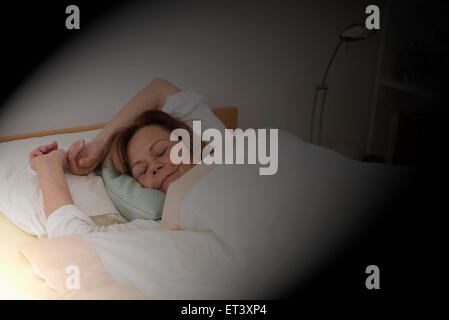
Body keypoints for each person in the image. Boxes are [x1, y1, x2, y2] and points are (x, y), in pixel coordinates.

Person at [29, 78, 226, 237]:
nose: (155, 167)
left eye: (161, 152)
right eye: (142, 171)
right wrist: (48, 167)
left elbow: (160, 89)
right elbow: (75, 241)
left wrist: (99, 144)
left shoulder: (223, 151)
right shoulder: (163, 227)